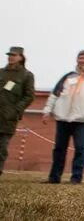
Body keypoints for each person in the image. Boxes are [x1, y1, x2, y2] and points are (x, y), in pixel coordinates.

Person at [42, 49, 84, 184]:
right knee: (59, 148)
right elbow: (55, 94)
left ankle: (76, 178)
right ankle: (54, 177)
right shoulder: (68, 76)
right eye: (80, 58)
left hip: (82, 120)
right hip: (63, 118)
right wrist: (47, 110)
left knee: (80, 149)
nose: (82, 60)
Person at [0, 46, 35, 177]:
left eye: (14, 55)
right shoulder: (1, 72)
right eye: (9, 55)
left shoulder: (27, 75)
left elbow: (29, 96)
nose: (10, 57)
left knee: (2, 146)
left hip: (9, 116)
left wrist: (16, 110)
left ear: (20, 57)